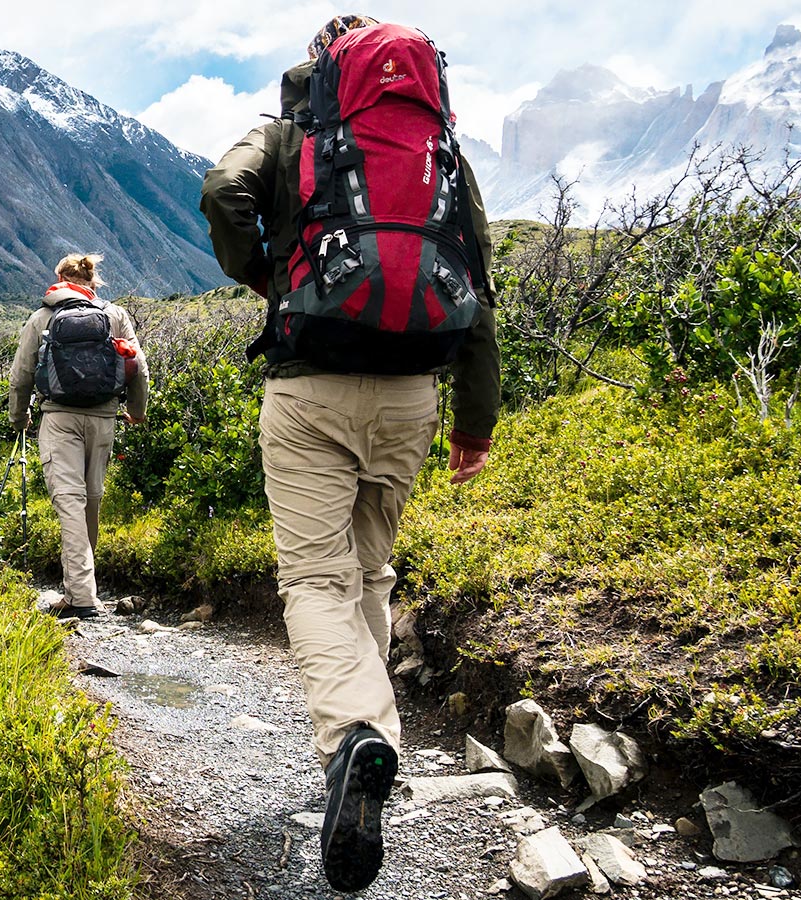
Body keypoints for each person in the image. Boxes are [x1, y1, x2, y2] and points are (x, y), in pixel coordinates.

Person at [199, 14, 502, 893]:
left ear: (322, 64)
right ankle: (373, 745)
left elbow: (223, 191)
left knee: (314, 580)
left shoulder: (291, 132)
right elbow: (477, 280)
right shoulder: (439, 150)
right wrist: (474, 422)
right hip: (413, 393)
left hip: (311, 386)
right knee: (370, 572)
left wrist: (261, 272)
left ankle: (355, 741)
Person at [8, 254, 150, 619]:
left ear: (58, 278)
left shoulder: (42, 317)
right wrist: (136, 411)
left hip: (59, 419)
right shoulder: (114, 315)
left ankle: (82, 597)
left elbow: (21, 375)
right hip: (103, 419)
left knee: (69, 502)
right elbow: (139, 369)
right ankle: (80, 589)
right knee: (91, 500)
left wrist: (19, 416)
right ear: (93, 280)